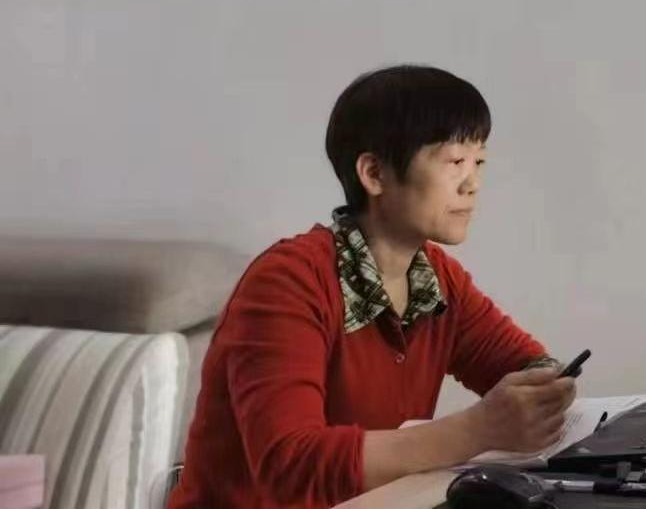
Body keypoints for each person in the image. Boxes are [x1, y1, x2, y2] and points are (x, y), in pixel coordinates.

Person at [168, 65, 577, 508]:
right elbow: (292, 466)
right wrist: (478, 429)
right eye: (455, 162)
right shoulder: (286, 282)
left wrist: (547, 387)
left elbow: (522, 363)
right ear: (374, 173)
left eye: (479, 162)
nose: (473, 184)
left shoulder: (437, 278)